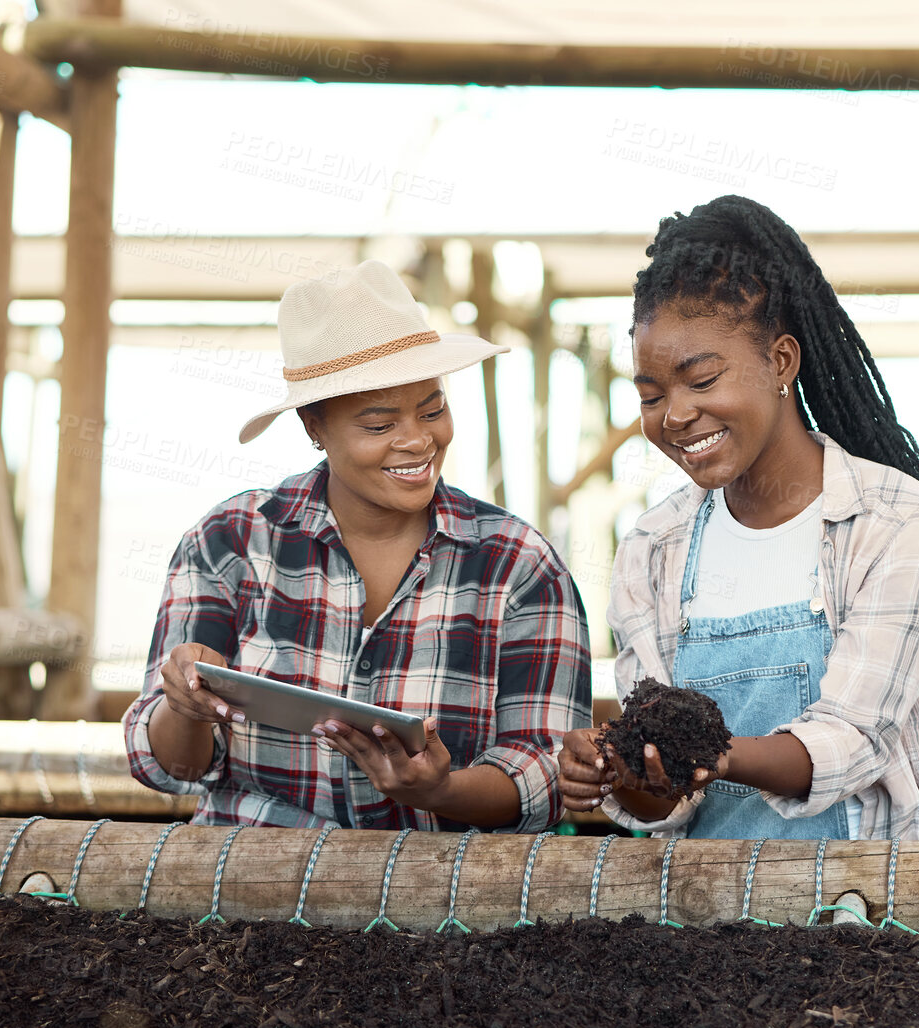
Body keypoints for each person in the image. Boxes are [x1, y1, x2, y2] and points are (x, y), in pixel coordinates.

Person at [558, 195, 919, 842]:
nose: (673, 414)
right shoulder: (651, 549)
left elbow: (853, 739)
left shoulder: (900, 523)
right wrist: (621, 772)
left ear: (780, 362)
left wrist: (706, 751)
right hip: (708, 921)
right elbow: (661, 807)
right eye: (649, 394)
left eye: (700, 380)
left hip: (880, 918)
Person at [124, 260, 591, 830]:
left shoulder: (518, 564)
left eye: (433, 409)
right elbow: (168, 767)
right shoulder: (231, 541)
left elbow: (546, 774)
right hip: (246, 888)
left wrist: (441, 791)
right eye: (378, 425)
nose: (418, 440)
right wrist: (183, 706)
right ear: (313, 427)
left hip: (443, 899)